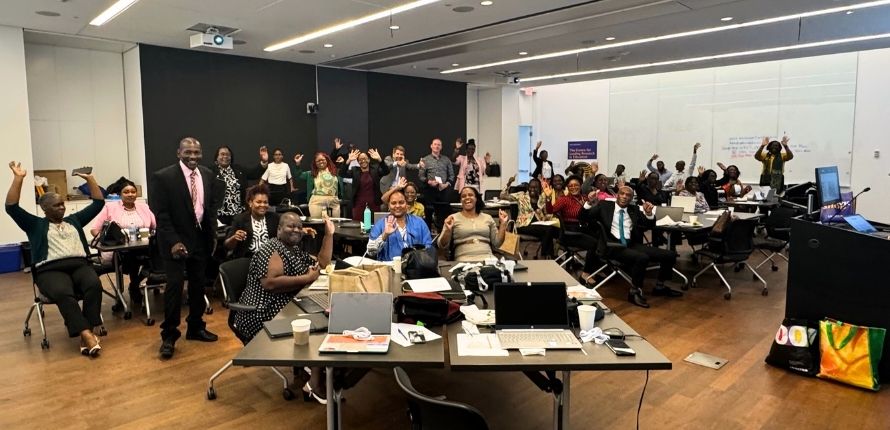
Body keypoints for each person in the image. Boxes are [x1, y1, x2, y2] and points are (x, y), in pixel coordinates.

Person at [6, 161, 105, 356]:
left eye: (63, 204)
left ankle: (88, 333)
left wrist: (90, 179)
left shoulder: (73, 221)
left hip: (79, 264)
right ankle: (86, 335)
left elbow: (98, 203)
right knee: (63, 292)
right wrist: (18, 179)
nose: (62, 208)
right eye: (57, 205)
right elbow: (12, 207)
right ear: (44, 208)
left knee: (94, 284)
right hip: (49, 269)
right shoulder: (35, 225)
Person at [233, 212, 334, 403]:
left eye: (298, 226)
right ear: (279, 229)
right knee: (317, 325)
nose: (296, 229)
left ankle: (312, 369)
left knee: (321, 316)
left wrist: (329, 235)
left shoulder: (293, 249)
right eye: (290, 226)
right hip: (261, 313)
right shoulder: (272, 248)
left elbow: (322, 263)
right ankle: (314, 382)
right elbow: (270, 282)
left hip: (285, 308)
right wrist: (307, 278)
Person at [149, 137, 222, 359]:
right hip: (174, 242)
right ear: (178, 152)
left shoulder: (208, 174)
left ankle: (196, 327)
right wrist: (173, 241)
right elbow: (160, 214)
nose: (193, 156)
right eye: (188, 152)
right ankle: (169, 336)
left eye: (197, 153)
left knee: (199, 285)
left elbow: (208, 208)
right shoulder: (163, 177)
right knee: (174, 287)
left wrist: (212, 235)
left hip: (200, 240)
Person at [582, 186, 682, 308]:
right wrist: (588, 202)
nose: (624, 197)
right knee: (642, 258)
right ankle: (635, 292)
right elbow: (583, 217)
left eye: (628, 195)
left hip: (631, 244)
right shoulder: (604, 206)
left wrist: (649, 214)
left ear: (631, 198)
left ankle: (660, 286)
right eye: (622, 193)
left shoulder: (634, 209)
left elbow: (648, 225)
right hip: (612, 246)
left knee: (669, 254)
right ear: (617, 195)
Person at [90, 178, 156, 305]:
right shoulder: (110, 207)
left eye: (133, 191)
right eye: (126, 192)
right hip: (119, 250)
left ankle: (136, 283)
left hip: (142, 246)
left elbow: (155, 226)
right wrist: (105, 238)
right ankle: (135, 287)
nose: (130, 194)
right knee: (132, 256)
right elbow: (94, 230)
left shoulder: (144, 207)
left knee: (155, 255)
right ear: (120, 194)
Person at [437, 187, 509, 261]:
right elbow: (441, 245)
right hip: (463, 259)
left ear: (476, 198)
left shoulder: (488, 218)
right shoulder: (453, 218)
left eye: (470, 195)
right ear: (460, 200)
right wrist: (447, 230)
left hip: (488, 258)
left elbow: (497, 243)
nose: (467, 198)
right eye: (463, 196)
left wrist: (503, 224)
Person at [367, 189, 433, 261]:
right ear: (389, 206)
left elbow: (428, 248)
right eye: (393, 203)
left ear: (406, 204)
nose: (397, 206)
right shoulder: (380, 224)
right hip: (388, 269)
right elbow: (370, 252)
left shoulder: (419, 222)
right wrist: (384, 235)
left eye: (401, 202)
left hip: (416, 268)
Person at [501, 176, 556, 259]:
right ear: (528, 188)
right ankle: (547, 256)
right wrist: (509, 183)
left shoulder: (542, 198)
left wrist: (546, 216)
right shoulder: (521, 196)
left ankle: (548, 255)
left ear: (540, 188)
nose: (533, 189)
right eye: (531, 187)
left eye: (535, 187)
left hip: (538, 225)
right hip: (523, 225)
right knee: (548, 230)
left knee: (550, 230)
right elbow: (502, 195)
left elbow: (546, 213)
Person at [211, 146, 268, 226]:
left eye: (228, 155)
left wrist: (264, 162)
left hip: (239, 215)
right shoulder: (211, 172)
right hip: (220, 217)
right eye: (222, 154)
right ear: (216, 158)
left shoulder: (238, 169)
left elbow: (254, 173)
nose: (225, 157)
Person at [224, 184, 279, 260]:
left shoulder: (274, 218)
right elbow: (227, 245)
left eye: (265, 202)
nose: (262, 205)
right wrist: (234, 238)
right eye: (259, 202)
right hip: (247, 260)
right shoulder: (240, 219)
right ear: (250, 203)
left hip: (270, 259)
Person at [341, 148, 390, 221]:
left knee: (374, 226)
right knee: (358, 227)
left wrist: (380, 160)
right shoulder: (355, 170)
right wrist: (348, 160)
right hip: (358, 205)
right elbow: (342, 173)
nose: (363, 161)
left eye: (365, 158)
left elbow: (386, 171)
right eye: (360, 159)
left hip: (374, 204)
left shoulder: (375, 169)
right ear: (358, 162)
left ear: (369, 160)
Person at [418, 138, 455, 229]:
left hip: (443, 190)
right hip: (430, 190)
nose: (437, 146)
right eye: (435, 144)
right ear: (431, 146)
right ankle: (428, 237)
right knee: (428, 214)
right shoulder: (425, 160)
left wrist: (446, 184)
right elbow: (421, 176)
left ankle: (442, 236)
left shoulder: (446, 160)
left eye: (439, 144)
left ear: (441, 147)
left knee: (443, 215)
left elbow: (452, 175)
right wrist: (429, 182)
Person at [293, 152, 342, 218]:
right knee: (318, 224)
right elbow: (299, 175)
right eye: (318, 161)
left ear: (327, 160)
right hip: (317, 202)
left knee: (335, 225)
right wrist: (297, 163)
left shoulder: (334, 171)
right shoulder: (311, 174)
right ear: (315, 163)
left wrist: (343, 163)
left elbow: (344, 174)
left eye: (323, 160)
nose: (321, 162)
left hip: (333, 202)